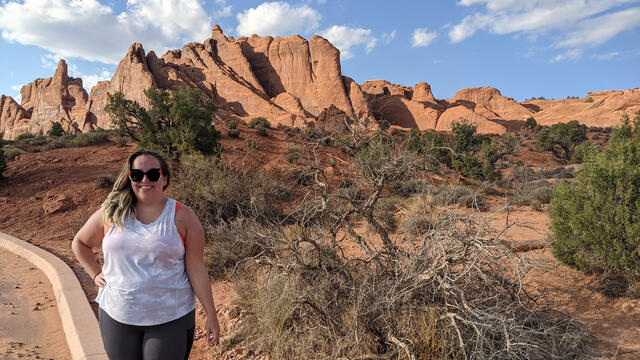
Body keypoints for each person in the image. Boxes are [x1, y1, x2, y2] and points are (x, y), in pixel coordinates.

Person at [72, 149, 220, 360]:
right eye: (137, 174)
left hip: (170, 316)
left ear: (164, 178)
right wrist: (95, 274)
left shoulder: (183, 216)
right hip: (118, 315)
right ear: (129, 177)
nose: (145, 180)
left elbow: (196, 268)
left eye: (152, 175)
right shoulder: (112, 212)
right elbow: (79, 243)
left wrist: (211, 315)